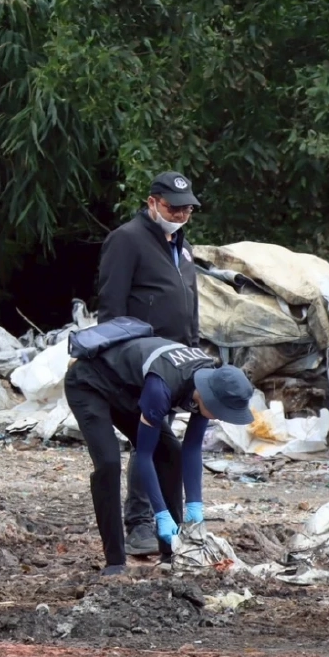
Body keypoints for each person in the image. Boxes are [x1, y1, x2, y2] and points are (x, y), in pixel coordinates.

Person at [63, 335, 255, 576]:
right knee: (109, 464)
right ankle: (114, 562)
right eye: (221, 411)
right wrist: (160, 514)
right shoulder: (163, 387)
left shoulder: (209, 379)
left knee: (170, 453)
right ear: (209, 396)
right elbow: (143, 454)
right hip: (89, 384)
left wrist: (195, 504)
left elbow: (192, 448)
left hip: (127, 389)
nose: (219, 417)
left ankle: (171, 551)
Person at [96, 171, 202, 556]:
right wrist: (119, 359)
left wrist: (193, 353)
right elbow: (112, 307)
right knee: (151, 443)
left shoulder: (182, 247)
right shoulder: (127, 241)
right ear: (152, 202)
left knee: (165, 445)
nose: (180, 214)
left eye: (187, 209)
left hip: (177, 361)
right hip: (141, 361)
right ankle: (140, 522)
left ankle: (169, 520)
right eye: (173, 208)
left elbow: (188, 304)